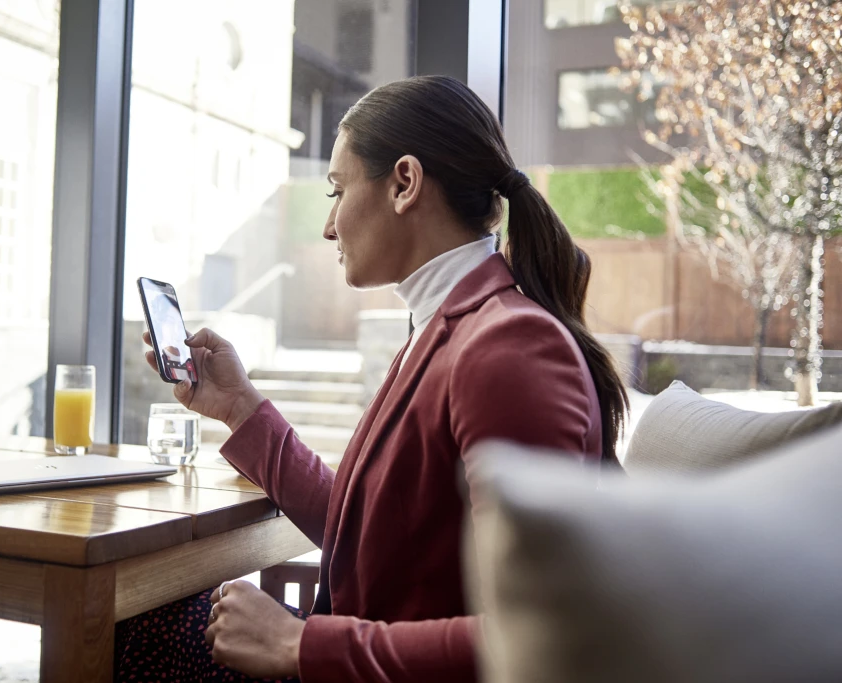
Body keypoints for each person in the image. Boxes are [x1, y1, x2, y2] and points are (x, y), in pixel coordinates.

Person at [117, 75, 628, 682]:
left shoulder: (508, 348)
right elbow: (373, 533)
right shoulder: (446, 327)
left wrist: (300, 646)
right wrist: (238, 408)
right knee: (140, 617)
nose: (329, 227)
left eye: (337, 191)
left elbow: (541, 631)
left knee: (127, 631)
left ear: (404, 184)